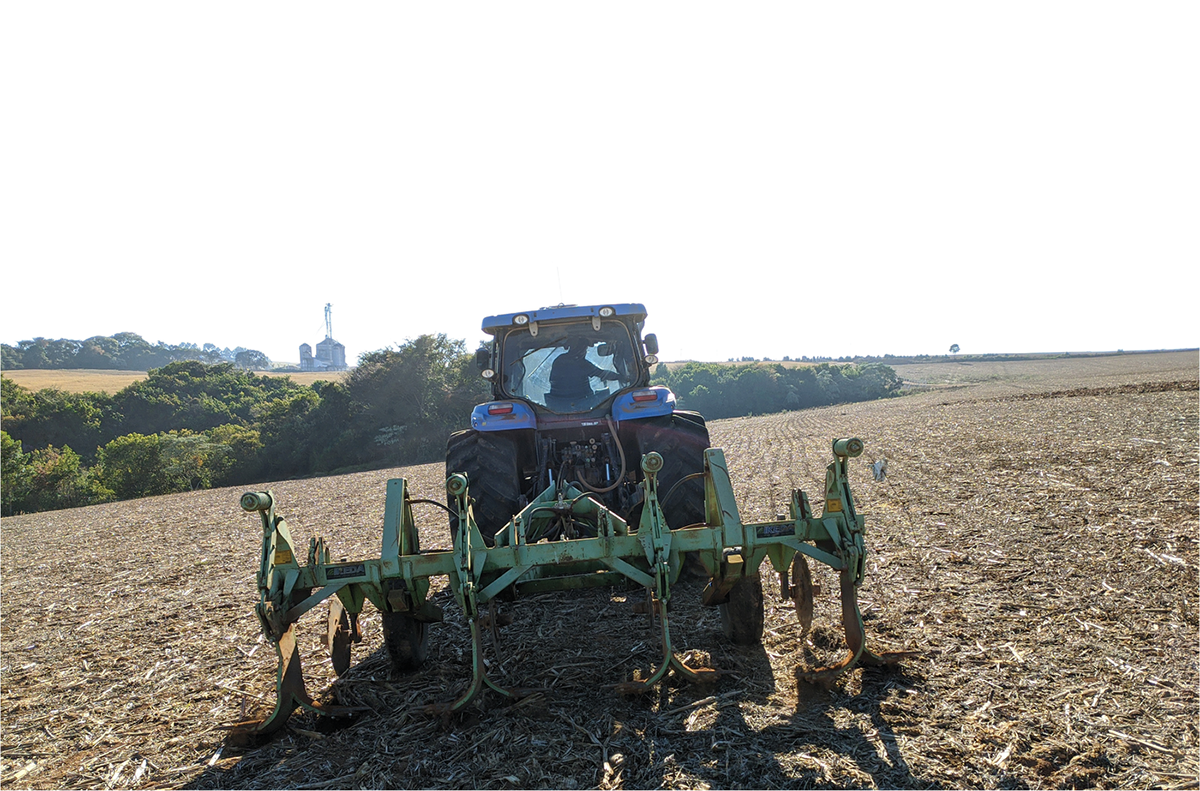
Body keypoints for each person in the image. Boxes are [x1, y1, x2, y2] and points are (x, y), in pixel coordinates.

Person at [547, 340, 618, 405]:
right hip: (581, 403)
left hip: (557, 403)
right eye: (585, 349)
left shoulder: (559, 360)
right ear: (580, 350)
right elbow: (602, 374)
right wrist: (619, 376)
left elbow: (552, 380)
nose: (585, 352)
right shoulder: (582, 364)